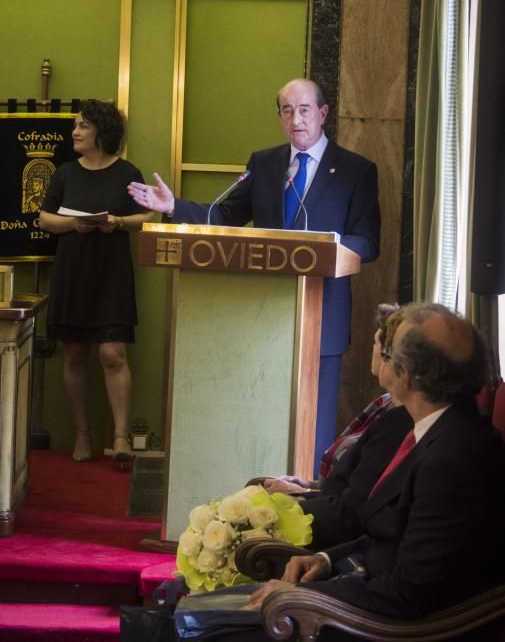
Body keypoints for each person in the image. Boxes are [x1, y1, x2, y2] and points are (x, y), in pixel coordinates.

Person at [128, 78, 381, 474]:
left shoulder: (355, 170)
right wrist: (173, 205)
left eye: (304, 110)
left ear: (323, 113)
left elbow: (368, 241)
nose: (296, 119)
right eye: (287, 111)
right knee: (261, 416)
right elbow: (224, 215)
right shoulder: (264, 164)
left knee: (312, 428)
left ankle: (307, 507)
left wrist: (331, 245)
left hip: (323, 315)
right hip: (262, 313)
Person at [223, 303, 505, 641]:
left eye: (389, 352)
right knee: (190, 614)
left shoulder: (453, 458)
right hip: (361, 596)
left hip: (386, 627)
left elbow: (409, 593)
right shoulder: (442, 429)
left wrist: (300, 597)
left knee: (195, 627)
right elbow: (389, 535)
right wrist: (326, 560)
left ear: (406, 375)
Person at [40, 100, 153, 463]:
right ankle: (82, 435)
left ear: (102, 132)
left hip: (111, 271)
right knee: (73, 353)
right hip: (73, 269)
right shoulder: (65, 174)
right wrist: (74, 224)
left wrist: (118, 222)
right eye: (76, 124)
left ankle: (120, 437)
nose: (75, 131)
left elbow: (148, 215)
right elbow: (44, 218)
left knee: (112, 353)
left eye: (83, 125)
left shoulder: (126, 172)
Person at [263, 303, 400, 497]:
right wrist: (308, 483)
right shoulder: (383, 403)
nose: (375, 350)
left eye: (376, 343)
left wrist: (303, 493)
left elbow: (355, 503)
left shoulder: (397, 423)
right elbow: (344, 482)